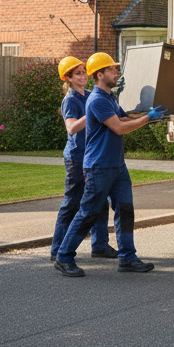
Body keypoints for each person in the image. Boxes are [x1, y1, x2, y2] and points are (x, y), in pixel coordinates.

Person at [53, 52, 167, 278]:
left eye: (116, 69)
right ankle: (63, 256)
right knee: (88, 212)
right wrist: (148, 118)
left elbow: (123, 119)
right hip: (99, 166)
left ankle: (127, 258)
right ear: (99, 74)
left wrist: (148, 114)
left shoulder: (109, 98)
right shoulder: (97, 100)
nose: (116, 73)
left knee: (125, 211)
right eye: (112, 70)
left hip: (117, 165)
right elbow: (119, 128)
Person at [49, 56, 113, 262]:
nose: (83, 76)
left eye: (84, 72)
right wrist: (92, 113)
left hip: (92, 156)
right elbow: (71, 128)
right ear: (68, 78)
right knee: (72, 203)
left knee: (100, 201)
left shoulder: (90, 94)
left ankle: (100, 245)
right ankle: (57, 249)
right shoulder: (70, 100)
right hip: (76, 158)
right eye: (78, 74)